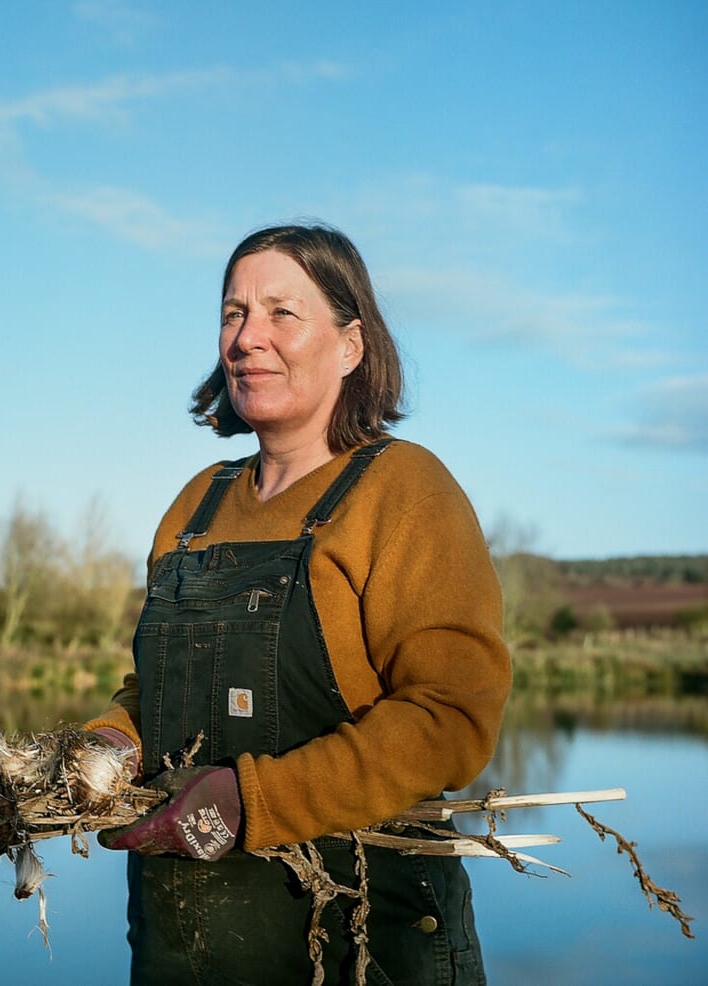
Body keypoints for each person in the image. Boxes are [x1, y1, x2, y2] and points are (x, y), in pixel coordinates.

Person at [86, 222, 511, 985]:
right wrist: (110, 743)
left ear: (351, 345)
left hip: (360, 946)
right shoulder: (196, 504)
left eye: (282, 312)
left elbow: (452, 718)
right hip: (187, 948)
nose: (248, 337)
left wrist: (252, 800)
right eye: (233, 313)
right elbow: (163, 695)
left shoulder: (405, 491)